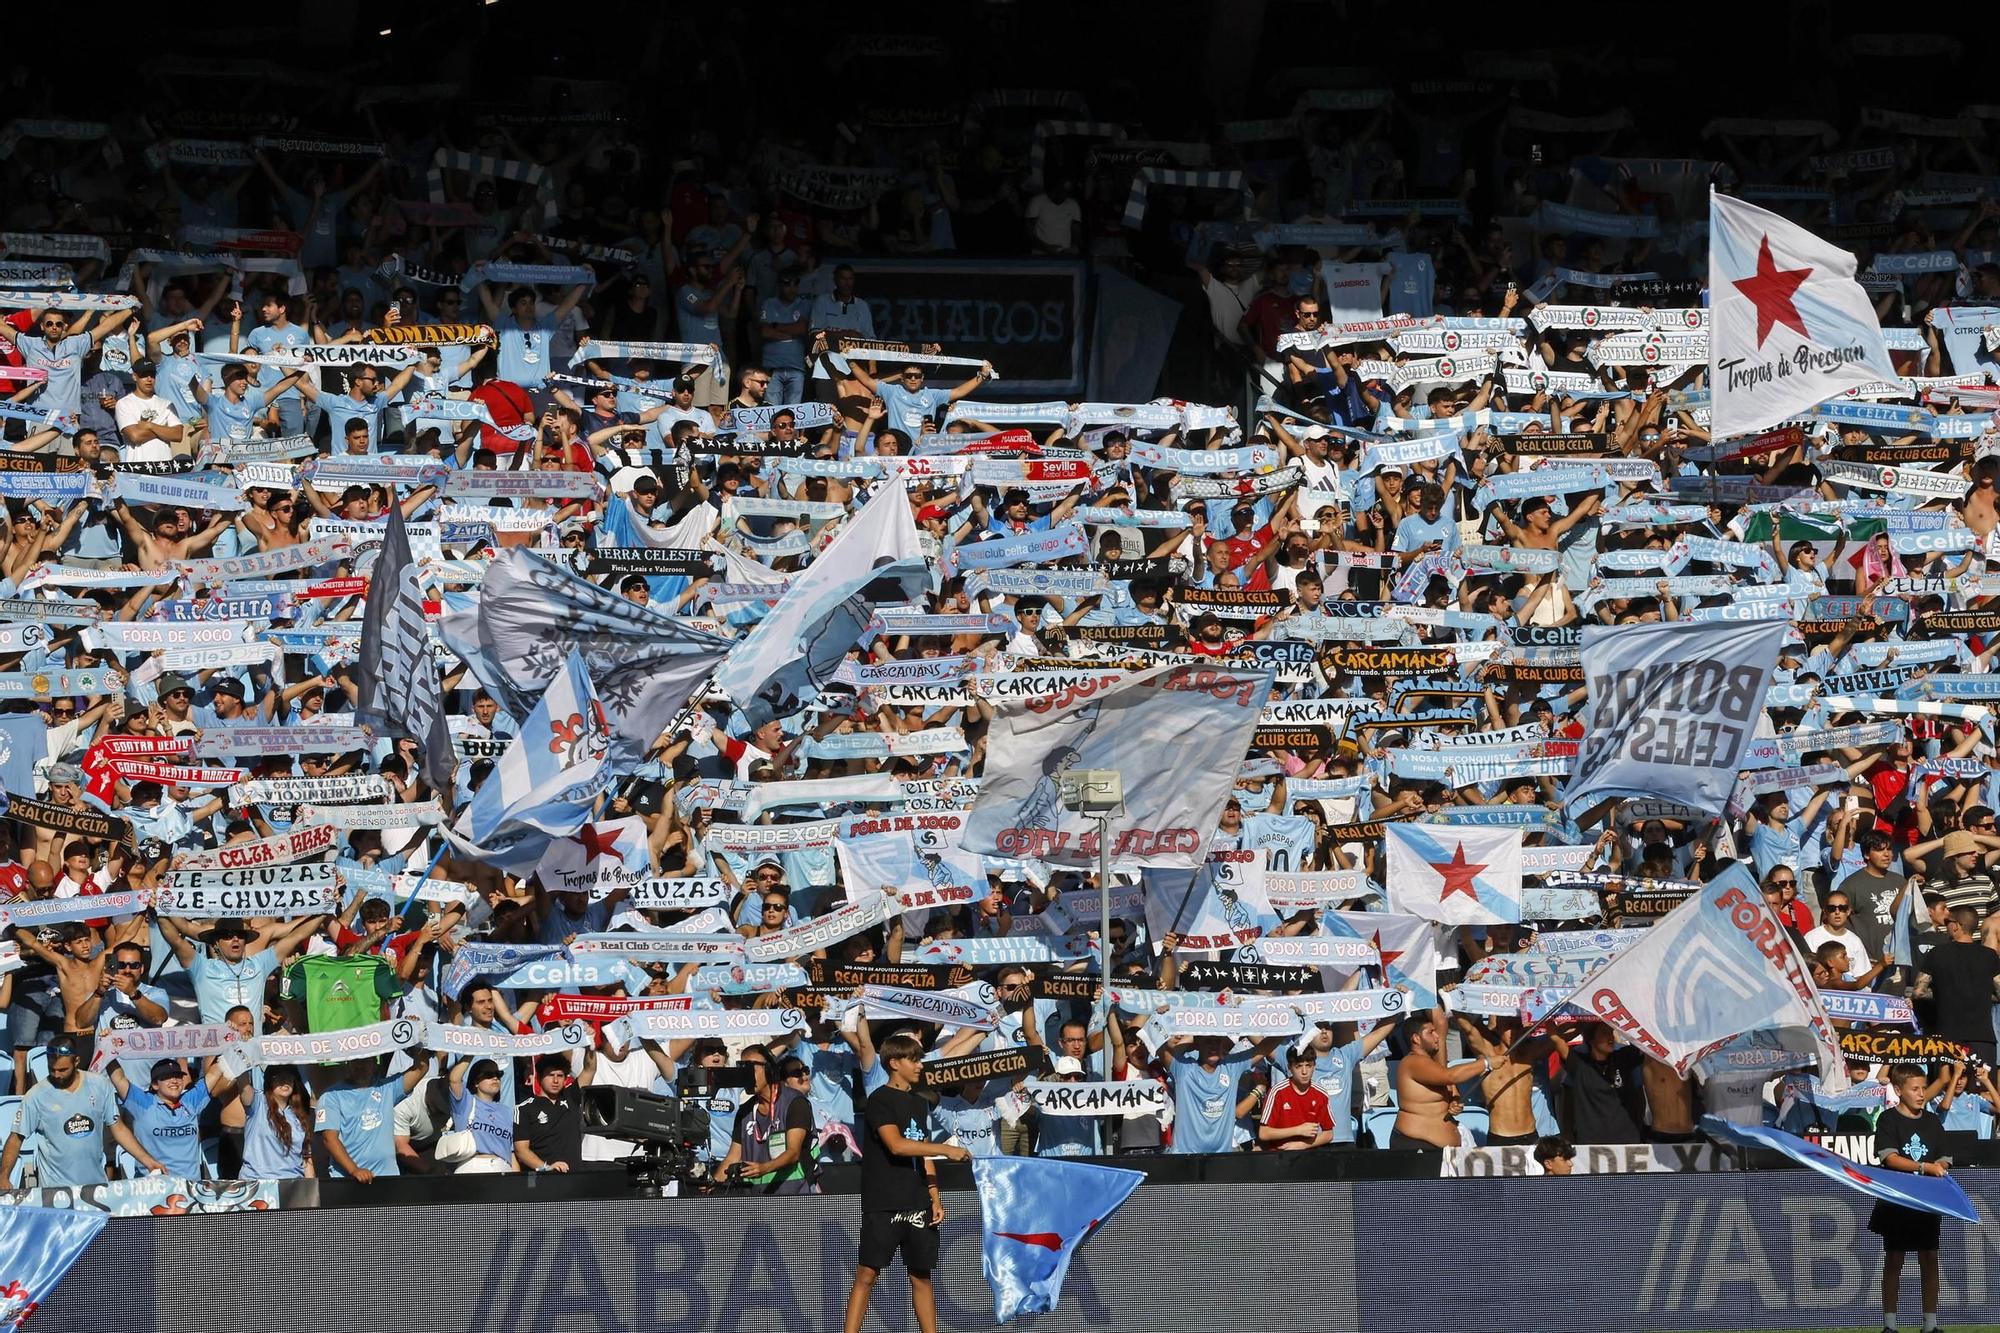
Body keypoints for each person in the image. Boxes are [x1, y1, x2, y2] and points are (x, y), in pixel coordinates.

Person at [841, 1031, 971, 1333]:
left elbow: (921, 1151)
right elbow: (897, 1145)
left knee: (921, 1276)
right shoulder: (879, 1100)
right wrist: (945, 1149)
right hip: (884, 1201)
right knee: (867, 1274)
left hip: (918, 1202)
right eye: (914, 1060)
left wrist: (934, 1196)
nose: (920, 1066)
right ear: (894, 1063)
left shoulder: (918, 1102)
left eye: (920, 1059)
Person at [1, 1036, 165, 1185]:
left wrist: (147, 1160)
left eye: (63, 1070)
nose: (57, 1075)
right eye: (52, 1069)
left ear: (76, 1061)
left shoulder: (100, 1085)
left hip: (95, 1187)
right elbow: (16, 1138)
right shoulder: (36, 1096)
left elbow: (118, 1127)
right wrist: (3, 1176)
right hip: (55, 1191)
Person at [1872, 1064, 1952, 1333]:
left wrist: (1939, 1166)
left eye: (1923, 1088)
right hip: (1897, 1199)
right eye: (1915, 1089)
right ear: (1898, 1090)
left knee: (1929, 1258)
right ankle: (1890, 1325)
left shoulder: (1932, 1121)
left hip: (1926, 1201)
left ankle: (1930, 1324)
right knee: (1894, 1259)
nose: (1921, 1094)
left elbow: (1944, 1157)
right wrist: (1924, 1167)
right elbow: (1890, 1157)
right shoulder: (1887, 1120)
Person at [1258, 1044, 1335, 1150]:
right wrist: (1298, 1130)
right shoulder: (1277, 1092)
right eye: (1299, 1066)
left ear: (1314, 1066)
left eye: (1308, 1065)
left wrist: (1302, 1145)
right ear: (1290, 1067)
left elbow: (1329, 1134)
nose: (1304, 1072)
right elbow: (1263, 1133)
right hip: (1280, 1156)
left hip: (1309, 1157)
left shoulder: (1321, 1094)